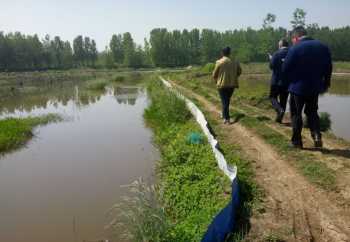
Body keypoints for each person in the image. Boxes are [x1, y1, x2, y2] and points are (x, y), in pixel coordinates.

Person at [282, 26, 332, 148]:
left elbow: (285, 69)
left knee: (296, 113)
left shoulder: (295, 48)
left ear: (296, 37)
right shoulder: (323, 47)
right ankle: (316, 135)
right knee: (312, 112)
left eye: (293, 38)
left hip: (297, 87)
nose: (293, 41)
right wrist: (326, 83)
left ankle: (297, 142)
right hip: (315, 87)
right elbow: (329, 67)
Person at [212, 47, 242, 124]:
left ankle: (227, 118)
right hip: (232, 85)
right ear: (230, 53)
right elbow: (239, 71)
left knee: (225, 101)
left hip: (222, 85)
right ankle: (224, 114)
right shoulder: (235, 62)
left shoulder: (219, 62)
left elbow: (214, 74)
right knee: (226, 100)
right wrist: (234, 77)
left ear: (222, 53)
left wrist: (216, 80)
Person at [269, 39, 290, 123]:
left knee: (272, 97)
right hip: (287, 82)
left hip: (276, 81)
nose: (278, 46)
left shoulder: (276, 54)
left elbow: (271, 66)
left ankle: (279, 110)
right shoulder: (292, 53)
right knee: (283, 100)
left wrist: (271, 59)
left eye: (278, 45)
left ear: (281, 45)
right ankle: (279, 119)